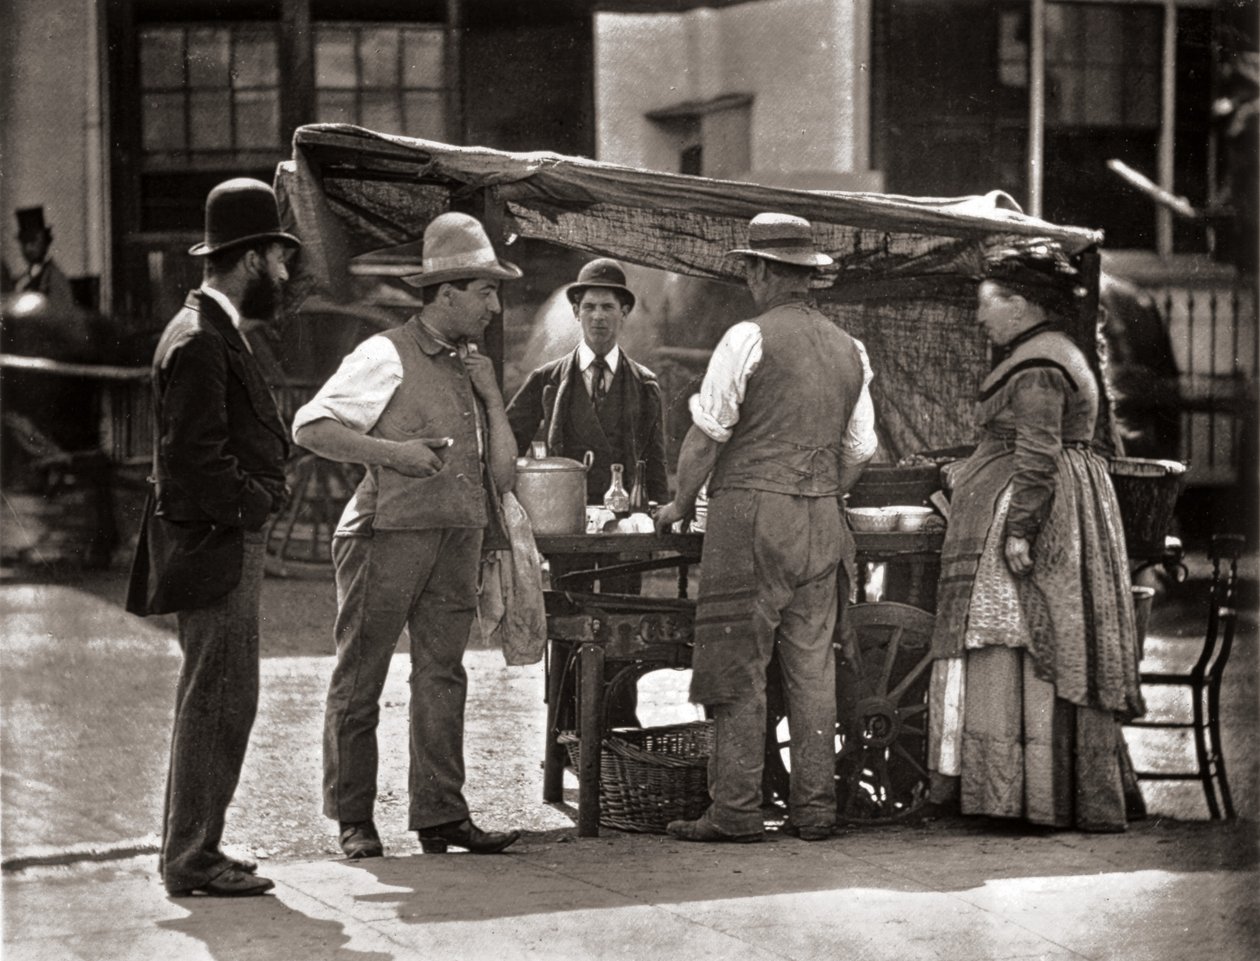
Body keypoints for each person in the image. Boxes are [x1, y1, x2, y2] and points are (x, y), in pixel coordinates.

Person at [292, 211, 523, 860]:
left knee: (443, 675)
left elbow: (502, 475)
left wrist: (494, 399)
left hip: (456, 536)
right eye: (485, 291)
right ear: (446, 292)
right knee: (360, 676)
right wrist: (393, 454)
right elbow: (311, 428)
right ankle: (354, 819)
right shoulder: (382, 353)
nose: (495, 305)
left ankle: (442, 815)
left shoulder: (474, 366)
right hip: (385, 534)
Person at [654, 212, 877, 843]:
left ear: (761, 271)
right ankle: (814, 811)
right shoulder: (850, 349)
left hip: (753, 520)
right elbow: (860, 449)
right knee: (812, 668)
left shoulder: (745, 338)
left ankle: (736, 811)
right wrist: (819, 487)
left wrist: (677, 505)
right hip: (823, 521)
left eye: (748, 267)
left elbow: (705, 439)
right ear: (806, 276)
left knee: (737, 665)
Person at [926, 242, 1145, 832]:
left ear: (1020, 305)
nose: (980, 317)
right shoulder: (1051, 351)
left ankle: (1024, 798)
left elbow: (1038, 452)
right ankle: (1032, 793)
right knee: (1033, 638)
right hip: (1061, 503)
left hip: (1044, 511)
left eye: (989, 304)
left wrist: (1021, 530)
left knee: (1017, 635)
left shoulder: (1040, 363)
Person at [125, 177, 300, 897]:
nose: (286, 276)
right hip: (218, 545)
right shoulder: (201, 340)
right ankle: (192, 853)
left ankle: (197, 843)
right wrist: (258, 502)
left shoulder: (207, 329)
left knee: (223, 695)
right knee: (218, 697)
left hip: (217, 543)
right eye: (279, 260)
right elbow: (198, 464)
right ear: (251, 258)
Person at [506, 257, 669, 590]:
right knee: (567, 613)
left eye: (608, 307)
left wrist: (654, 523)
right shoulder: (546, 379)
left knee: (622, 613)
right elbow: (508, 443)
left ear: (624, 313)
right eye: (590, 307)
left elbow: (655, 460)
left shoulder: (644, 384)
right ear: (576, 312)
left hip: (623, 530)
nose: (598, 317)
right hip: (566, 525)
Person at [12, 206, 75, 315]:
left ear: (45, 242)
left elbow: (62, 320)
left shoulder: (55, 279)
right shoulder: (23, 279)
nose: (28, 248)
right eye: (24, 242)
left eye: (33, 241)